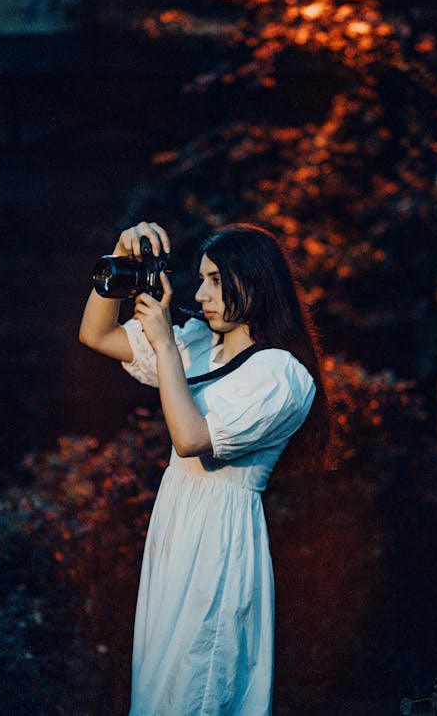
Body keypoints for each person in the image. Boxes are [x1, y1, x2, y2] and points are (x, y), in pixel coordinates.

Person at [79, 221, 330, 716]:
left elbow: (192, 438)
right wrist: (121, 257)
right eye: (201, 279)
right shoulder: (198, 344)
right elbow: (96, 334)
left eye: (215, 280)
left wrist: (165, 345)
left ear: (254, 283)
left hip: (218, 543)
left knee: (200, 683)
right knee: (159, 688)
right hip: (175, 529)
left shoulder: (281, 376)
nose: (200, 293)